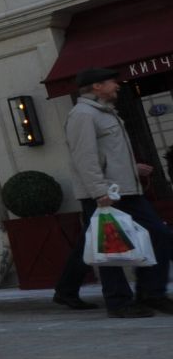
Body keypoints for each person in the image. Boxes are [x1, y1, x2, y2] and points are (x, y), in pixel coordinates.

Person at [65, 67, 172, 318]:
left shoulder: (106, 112)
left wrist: (132, 169)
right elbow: (85, 157)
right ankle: (119, 302)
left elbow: (107, 154)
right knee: (109, 249)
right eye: (112, 81)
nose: (117, 85)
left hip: (126, 188)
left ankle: (152, 294)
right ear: (96, 87)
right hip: (106, 193)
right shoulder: (82, 115)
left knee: (159, 234)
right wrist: (99, 190)